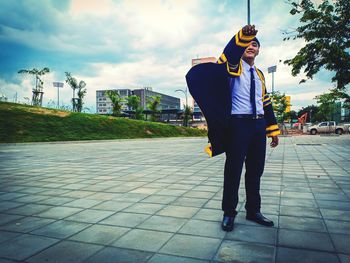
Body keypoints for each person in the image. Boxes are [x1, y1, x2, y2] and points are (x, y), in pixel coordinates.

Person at [186, 25, 280, 232]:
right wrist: (242, 36)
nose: (250, 46)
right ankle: (229, 213)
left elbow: (266, 103)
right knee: (233, 171)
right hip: (238, 125)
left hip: (257, 125)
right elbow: (229, 54)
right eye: (247, 43)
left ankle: (253, 210)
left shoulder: (261, 74)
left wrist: (272, 130)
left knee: (255, 171)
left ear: (258, 51)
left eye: (254, 44)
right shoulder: (231, 67)